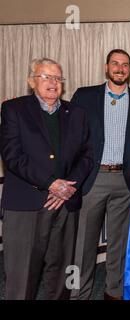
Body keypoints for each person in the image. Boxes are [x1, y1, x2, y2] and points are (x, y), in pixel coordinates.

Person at [0, 58, 93, 299]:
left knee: (61, 276)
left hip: (66, 205)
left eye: (57, 78)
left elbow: (87, 155)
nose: (53, 83)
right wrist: (51, 183)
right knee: (22, 278)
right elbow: (12, 156)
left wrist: (69, 188)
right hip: (27, 206)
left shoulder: (78, 113)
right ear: (32, 81)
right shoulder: (13, 109)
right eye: (46, 77)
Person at [70, 49, 130, 300]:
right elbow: (71, 137)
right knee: (83, 244)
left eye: (125, 65)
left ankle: (114, 293)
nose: (120, 69)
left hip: (125, 181)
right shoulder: (84, 96)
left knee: (119, 244)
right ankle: (79, 294)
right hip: (92, 179)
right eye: (115, 64)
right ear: (106, 67)